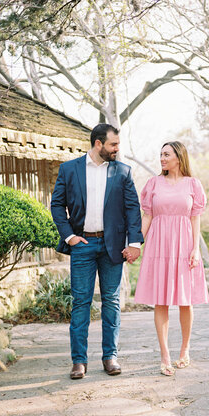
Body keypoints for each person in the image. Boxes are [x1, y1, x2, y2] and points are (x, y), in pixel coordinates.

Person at [51, 124, 143, 379]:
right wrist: (69, 236)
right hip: (82, 245)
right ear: (98, 144)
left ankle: (110, 356)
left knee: (111, 302)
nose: (117, 149)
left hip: (112, 246)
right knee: (81, 302)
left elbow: (133, 209)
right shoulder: (69, 169)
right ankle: (78, 361)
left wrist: (134, 242)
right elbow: (57, 204)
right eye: (113, 144)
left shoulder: (123, 172)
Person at [133, 141, 209, 376]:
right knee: (161, 300)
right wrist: (136, 243)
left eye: (167, 154)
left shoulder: (193, 184)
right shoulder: (153, 184)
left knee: (185, 300)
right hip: (158, 245)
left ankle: (185, 350)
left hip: (185, 244)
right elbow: (147, 216)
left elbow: (195, 218)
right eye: (161, 154)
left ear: (179, 157)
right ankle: (165, 354)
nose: (162, 158)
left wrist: (195, 249)